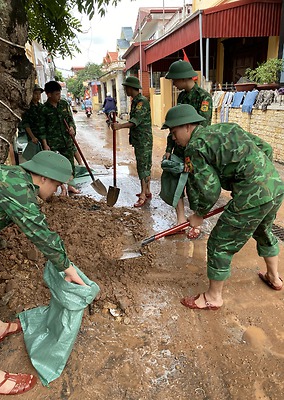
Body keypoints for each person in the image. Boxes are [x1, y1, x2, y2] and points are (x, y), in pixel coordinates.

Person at [0, 151, 88, 395]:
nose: (57, 191)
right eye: (57, 185)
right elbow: (40, 233)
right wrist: (67, 267)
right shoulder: (18, 189)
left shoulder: (12, 176)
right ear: (42, 178)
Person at [161, 104, 284, 310]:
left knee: (219, 243)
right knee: (262, 230)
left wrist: (199, 214)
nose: (173, 138)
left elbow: (210, 189)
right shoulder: (226, 128)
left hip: (251, 195)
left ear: (188, 126)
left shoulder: (195, 147)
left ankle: (213, 297)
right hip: (275, 185)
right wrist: (258, 178)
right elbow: (266, 149)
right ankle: (274, 278)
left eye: (174, 132)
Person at [164, 60, 213, 239]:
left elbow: (202, 129)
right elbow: (174, 125)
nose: (173, 83)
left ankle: (195, 222)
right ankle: (180, 219)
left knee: (194, 185)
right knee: (177, 183)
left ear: (183, 78)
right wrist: (170, 147)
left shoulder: (204, 97)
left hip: (194, 150)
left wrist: (190, 157)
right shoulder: (182, 97)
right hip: (179, 147)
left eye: (174, 80)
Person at [111, 76, 153, 207]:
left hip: (143, 140)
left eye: (125, 88)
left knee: (143, 166)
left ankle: (142, 195)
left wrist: (120, 126)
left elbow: (135, 121)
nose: (124, 90)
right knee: (144, 164)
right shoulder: (135, 101)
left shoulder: (141, 101)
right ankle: (147, 191)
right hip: (139, 139)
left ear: (131, 88)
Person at [39, 81, 81, 193]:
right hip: (52, 142)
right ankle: (62, 187)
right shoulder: (44, 109)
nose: (59, 96)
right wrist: (45, 144)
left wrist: (72, 129)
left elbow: (70, 120)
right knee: (55, 165)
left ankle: (71, 185)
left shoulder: (64, 104)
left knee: (69, 164)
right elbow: (42, 128)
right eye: (56, 94)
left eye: (59, 93)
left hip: (66, 140)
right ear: (49, 94)